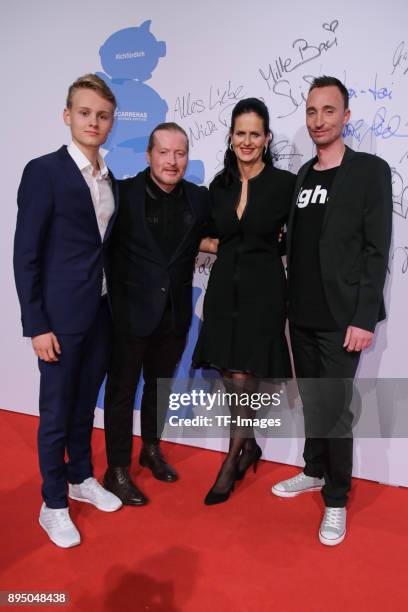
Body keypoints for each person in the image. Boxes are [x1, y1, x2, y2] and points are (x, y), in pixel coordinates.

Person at [272, 76, 392, 546]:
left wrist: (363, 316)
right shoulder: (303, 176)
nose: (318, 120)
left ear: (345, 115)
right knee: (316, 402)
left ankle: (337, 500)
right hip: (300, 315)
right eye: (311, 111)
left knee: (338, 410)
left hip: (343, 320)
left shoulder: (369, 171)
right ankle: (314, 470)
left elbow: (375, 248)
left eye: (327, 110)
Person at [13, 74, 123, 548]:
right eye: (84, 113)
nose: (93, 122)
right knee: (55, 410)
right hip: (58, 319)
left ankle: (80, 476)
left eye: (101, 115)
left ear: (111, 121)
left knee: (84, 405)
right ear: (67, 116)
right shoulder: (44, 171)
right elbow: (25, 254)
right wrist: (36, 323)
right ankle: (52, 503)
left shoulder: (109, 177)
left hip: (100, 313)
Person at [193, 98, 296, 505]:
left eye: (255, 133)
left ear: (266, 138)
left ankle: (233, 457)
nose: (247, 141)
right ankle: (248, 444)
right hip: (223, 291)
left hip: (265, 290)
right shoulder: (218, 186)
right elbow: (196, 236)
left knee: (243, 371)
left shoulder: (286, 184)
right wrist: (220, 245)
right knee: (228, 368)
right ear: (231, 137)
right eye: (241, 133)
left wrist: (277, 246)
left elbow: (300, 237)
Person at [103, 122, 210, 505]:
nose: (172, 160)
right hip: (129, 315)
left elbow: (218, 234)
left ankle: (151, 449)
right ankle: (116, 470)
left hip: (174, 316)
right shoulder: (124, 193)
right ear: (148, 155)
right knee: (120, 393)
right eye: (164, 152)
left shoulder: (199, 199)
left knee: (158, 389)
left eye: (180, 153)